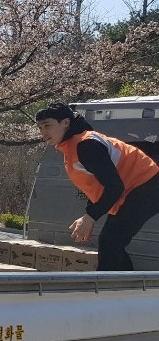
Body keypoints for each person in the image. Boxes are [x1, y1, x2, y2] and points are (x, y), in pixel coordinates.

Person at [35, 102, 159, 271]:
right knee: (111, 242)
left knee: (110, 241)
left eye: (47, 125)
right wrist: (90, 214)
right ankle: (126, 287)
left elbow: (114, 186)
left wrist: (90, 217)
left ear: (66, 123)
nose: (43, 132)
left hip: (148, 185)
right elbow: (97, 186)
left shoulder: (86, 145)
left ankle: (108, 289)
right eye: (40, 127)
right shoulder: (74, 145)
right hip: (140, 187)